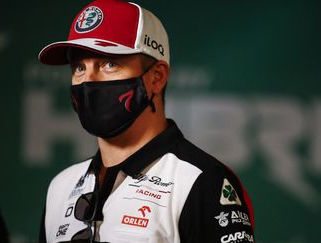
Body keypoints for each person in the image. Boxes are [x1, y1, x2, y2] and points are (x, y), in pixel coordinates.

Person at [38, 0, 255, 242]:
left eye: (109, 64)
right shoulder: (60, 187)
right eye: (79, 67)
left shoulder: (200, 181)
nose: (88, 81)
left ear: (156, 77)